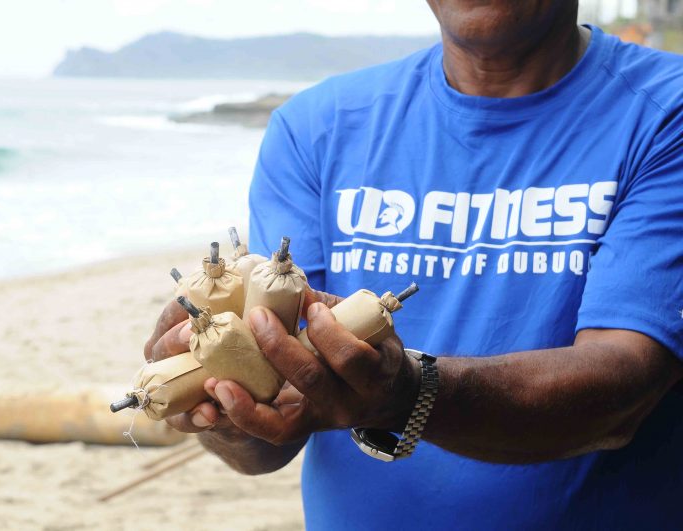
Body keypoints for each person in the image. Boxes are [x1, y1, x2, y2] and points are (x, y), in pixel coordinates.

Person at [146, 1, 683, 528]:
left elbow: (623, 390)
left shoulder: (664, 111)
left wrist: (408, 393)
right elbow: (274, 431)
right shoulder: (317, 127)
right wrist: (224, 404)